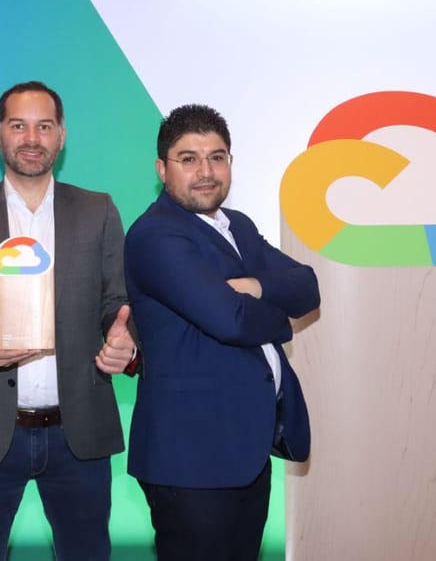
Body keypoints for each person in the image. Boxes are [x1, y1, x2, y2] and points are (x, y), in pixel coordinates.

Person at [0, 80, 136, 561]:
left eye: (44, 126)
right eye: (18, 126)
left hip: (79, 435)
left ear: (62, 135)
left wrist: (125, 341)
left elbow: (118, 303)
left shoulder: (98, 210)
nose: (32, 138)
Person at [124, 103, 320, 561]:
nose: (206, 171)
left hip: (244, 449)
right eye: (188, 159)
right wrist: (282, 320)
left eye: (217, 157)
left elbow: (307, 285)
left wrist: (255, 287)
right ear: (162, 169)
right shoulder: (156, 235)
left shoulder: (239, 226)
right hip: (191, 457)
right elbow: (229, 320)